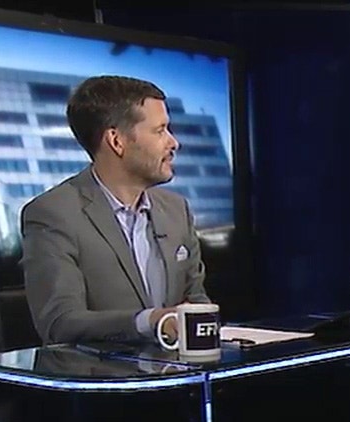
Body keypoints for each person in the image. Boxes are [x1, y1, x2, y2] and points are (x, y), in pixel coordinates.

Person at [20, 75, 209, 344]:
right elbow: (60, 323)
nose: (173, 143)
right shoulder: (53, 214)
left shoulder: (177, 210)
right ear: (116, 141)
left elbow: (198, 305)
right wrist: (151, 321)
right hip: (100, 370)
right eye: (160, 131)